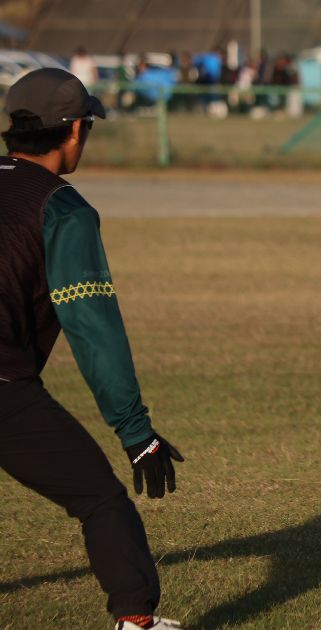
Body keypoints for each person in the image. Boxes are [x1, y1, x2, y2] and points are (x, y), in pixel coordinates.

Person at [0, 68, 184, 629]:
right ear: (76, 130)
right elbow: (92, 328)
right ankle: (135, 620)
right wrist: (135, 431)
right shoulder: (63, 207)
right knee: (100, 499)